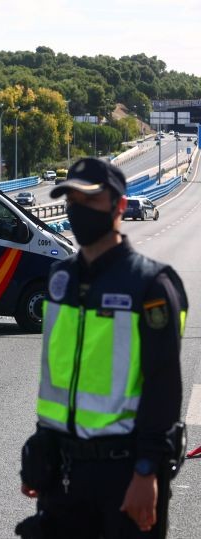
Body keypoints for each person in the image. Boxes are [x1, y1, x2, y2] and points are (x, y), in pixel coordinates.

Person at [16, 158, 188, 539]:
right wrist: (42, 444)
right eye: (72, 200)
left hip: (125, 472)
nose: (78, 210)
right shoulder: (61, 277)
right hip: (63, 473)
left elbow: (163, 386)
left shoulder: (151, 284)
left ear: (119, 206)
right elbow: (58, 376)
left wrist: (147, 471)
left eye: (89, 200)